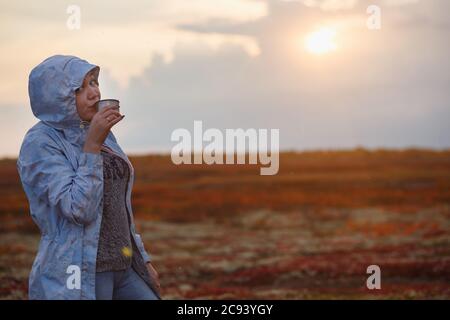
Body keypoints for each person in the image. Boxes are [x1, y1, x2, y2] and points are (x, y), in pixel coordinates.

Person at [17, 55, 161, 300]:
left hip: (123, 266)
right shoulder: (40, 142)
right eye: (80, 88)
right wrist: (92, 144)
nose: (94, 93)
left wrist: (143, 260)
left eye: (94, 82)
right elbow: (78, 209)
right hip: (80, 271)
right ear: (57, 96)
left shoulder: (103, 136)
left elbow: (118, 206)